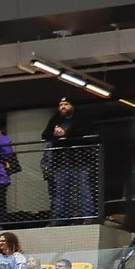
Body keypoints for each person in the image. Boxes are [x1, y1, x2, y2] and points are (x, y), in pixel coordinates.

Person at [43, 96, 98, 226]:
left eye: (66, 104)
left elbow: (88, 135)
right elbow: (44, 135)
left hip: (80, 161)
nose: (63, 107)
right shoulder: (55, 119)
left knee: (84, 190)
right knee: (61, 192)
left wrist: (66, 134)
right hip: (61, 162)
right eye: (61, 104)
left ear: (72, 106)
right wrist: (55, 135)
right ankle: (60, 218)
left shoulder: (82, 118)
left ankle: (88, 216)